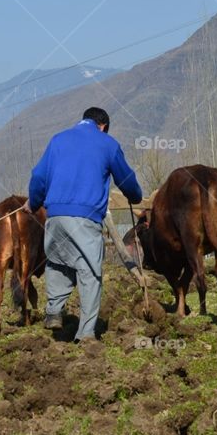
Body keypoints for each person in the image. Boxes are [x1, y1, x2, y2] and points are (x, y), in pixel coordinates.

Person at [24, 107, 143, 343]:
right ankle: (86, 334)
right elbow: (127, 181)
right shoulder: (108, 143)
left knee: (58, 262)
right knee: (89, 271)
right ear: (103, 126)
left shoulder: (58, 140)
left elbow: (38, 177)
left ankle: (54, 311)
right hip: (86, 217)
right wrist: (135, 196)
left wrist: (35, 201)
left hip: (55, 215)